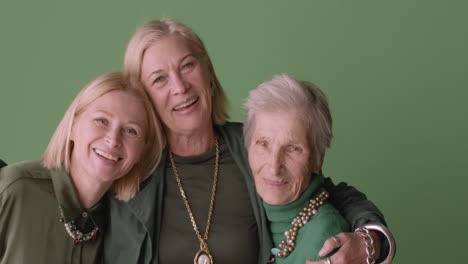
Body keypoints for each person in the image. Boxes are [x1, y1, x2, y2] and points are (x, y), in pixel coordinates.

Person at [105, 19, 393, 264]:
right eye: (159, 79)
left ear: (209, 74)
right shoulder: (131, 167)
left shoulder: (257, 145)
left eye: (188, 66)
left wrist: (372, 241)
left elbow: (327, 193)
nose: (180, 87)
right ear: (143, 96)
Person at [0, 72, 163, 263]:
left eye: (131, 131)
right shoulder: (16, 188)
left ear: (142, 151)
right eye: (102, 121)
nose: (113, 140)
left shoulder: (121, 228)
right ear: (73, 125)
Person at [244, 74, 352, 263]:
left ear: (317, 160)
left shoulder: (326, 241)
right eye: (263, 144)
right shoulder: (250, 213)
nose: (274, 166)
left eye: (293, 149)